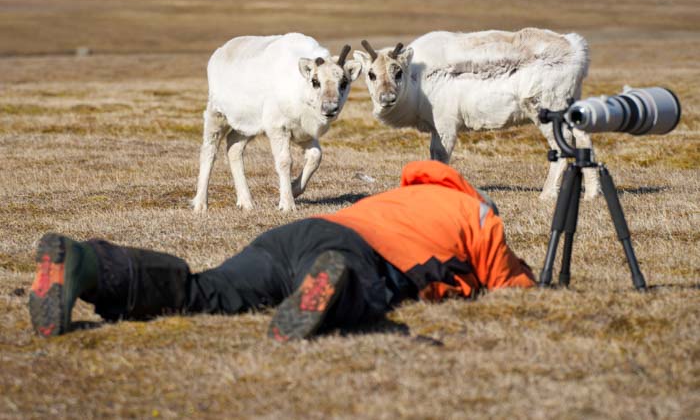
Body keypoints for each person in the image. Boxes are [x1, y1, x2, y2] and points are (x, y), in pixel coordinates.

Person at [28, 161, 536, 341]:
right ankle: (330, 284)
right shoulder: (478, 214)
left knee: (207, 291)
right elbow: (511, 287)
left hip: (294, 234)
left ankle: (87, 263)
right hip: (352, 252)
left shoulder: (397, 194)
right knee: (360, 290)